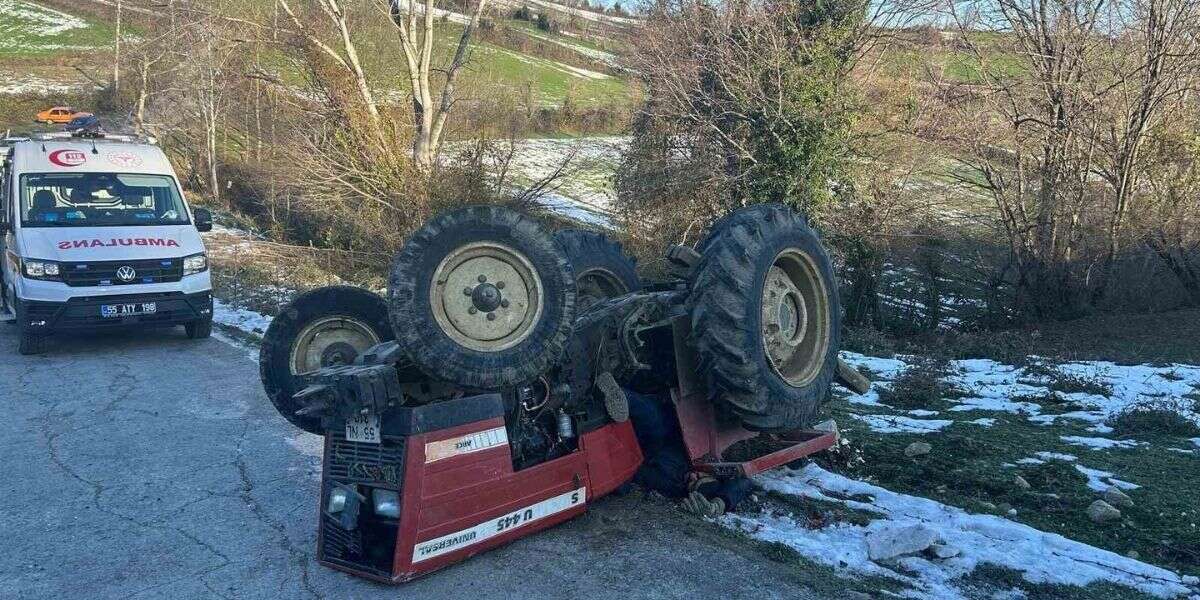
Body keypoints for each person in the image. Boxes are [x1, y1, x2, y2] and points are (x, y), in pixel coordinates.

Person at [625, 389, 752, 517]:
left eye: (692, 484)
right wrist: (721, 503)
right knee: (653, 418)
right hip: (662, 432)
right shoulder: (706, 460)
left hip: (636, 450)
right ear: (712, 476)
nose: (693, 477)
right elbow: (744, 484)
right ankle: (619, 395)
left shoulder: (673, 487)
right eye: (699, 477)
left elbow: (639, 475)